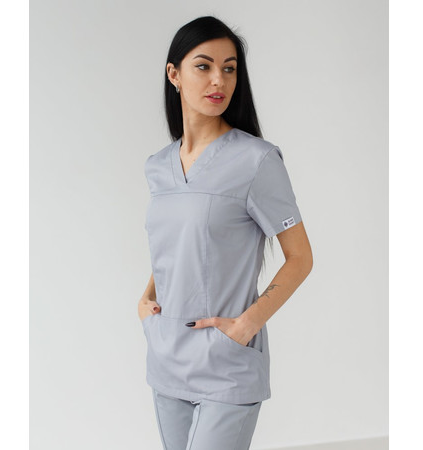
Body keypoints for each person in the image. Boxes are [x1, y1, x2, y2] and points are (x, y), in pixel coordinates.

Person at [137, 15, 313, 450]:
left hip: (226, 362)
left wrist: (247, 324)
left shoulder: (256, 161)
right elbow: (174, 245)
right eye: (204, 66)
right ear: (174, 74)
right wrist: (147, 299)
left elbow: (300, 258)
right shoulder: (158, 166)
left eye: (229, 68)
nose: (219, 79)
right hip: (167, 356)